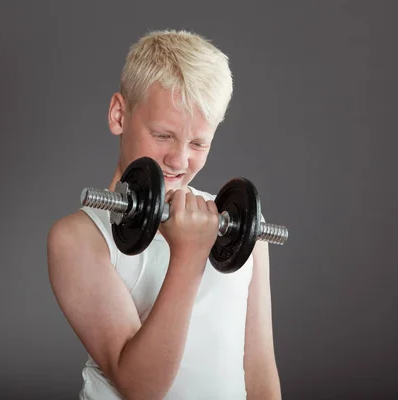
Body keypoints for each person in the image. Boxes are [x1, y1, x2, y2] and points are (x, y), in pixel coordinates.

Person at [47, 29, 281, 399]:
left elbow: (259, 365)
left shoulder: (237, 224)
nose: (179, 159)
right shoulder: (78, 238)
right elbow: (141, 388)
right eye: (162, 135)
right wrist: (188, 256)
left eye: (198, 143)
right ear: (119, 114)